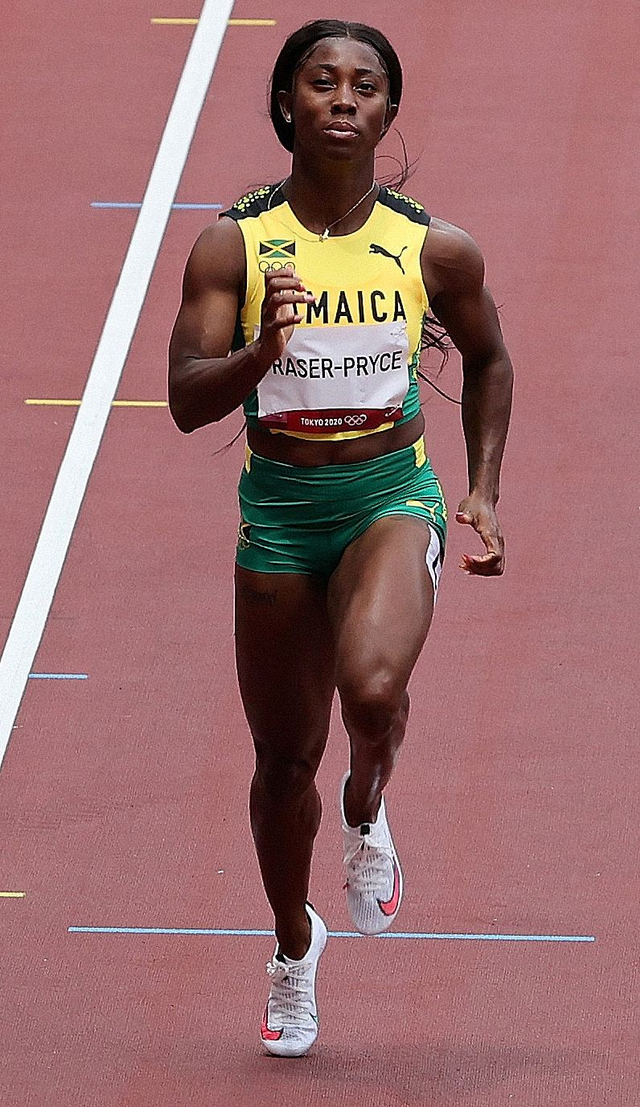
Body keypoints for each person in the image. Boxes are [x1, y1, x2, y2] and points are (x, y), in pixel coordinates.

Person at [168, 19, 513, 1057]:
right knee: (282, 760)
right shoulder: (233, 241)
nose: (343, 98)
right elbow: (185, 400)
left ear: (388, 113)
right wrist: (264, 346)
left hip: (387, 495)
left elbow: (491, 362)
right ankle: (290, 946)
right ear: (286, 104)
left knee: (370, 693)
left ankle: (368, 815)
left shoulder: (431, 246)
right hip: (278, 513)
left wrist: (484, 493)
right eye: (320, 81)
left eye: (365, 85)